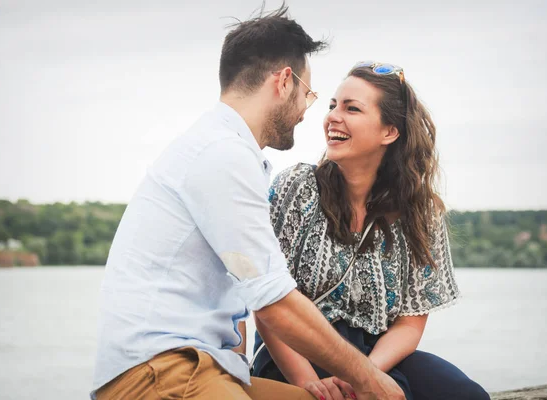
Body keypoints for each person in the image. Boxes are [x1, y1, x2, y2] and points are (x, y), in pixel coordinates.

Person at [91, 5, 406, 400]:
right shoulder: (222, 155)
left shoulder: (228, 151)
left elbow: (242, 295)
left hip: (202, 367)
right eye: (309, 95)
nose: (307, 113)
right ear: (284, 82)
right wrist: (369, 378)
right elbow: (274, 303)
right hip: (161, 372)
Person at [252, 61, 491, 400]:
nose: (333, 116)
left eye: (352, 108)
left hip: (377, 353)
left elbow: (410, 322)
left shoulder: (420, 212)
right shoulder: (297, 187)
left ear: (389, 132)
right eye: (333, 105)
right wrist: (309, 381)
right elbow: (268, 303)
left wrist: (365, 374)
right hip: (296, 352)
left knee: (465, 395)